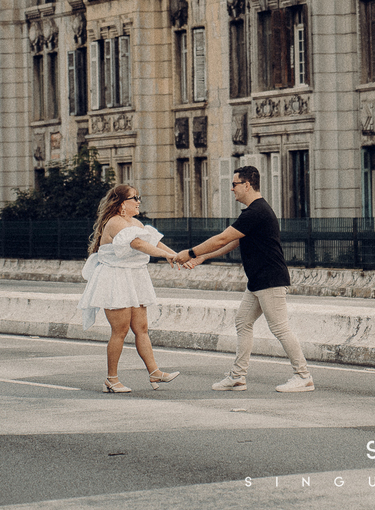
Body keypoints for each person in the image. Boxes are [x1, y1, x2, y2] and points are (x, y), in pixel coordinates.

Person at [173, 165, 314, 393]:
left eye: (234, 184)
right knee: (243, 322)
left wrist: (190, 253)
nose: (231, 189)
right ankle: (238, 377)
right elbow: (233, 242)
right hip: (258, 280)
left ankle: (304, 376)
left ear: (247, 185)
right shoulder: (252, 212)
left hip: (270, 279)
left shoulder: (257, 211)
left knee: (279, 328)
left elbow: (222, 238)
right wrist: (203, 257)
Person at [78, 184, 181, 393]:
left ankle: (154, 372)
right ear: (122, 204)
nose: (138, 202)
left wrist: (178, 256)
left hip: (133, 278)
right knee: (120, 330)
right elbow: (138, 245)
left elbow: (154, 242)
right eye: (134, 198)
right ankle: (111, 379)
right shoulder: (115, 223)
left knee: (142, 329)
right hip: (115, 279)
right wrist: (166, 256)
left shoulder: (134, 222)